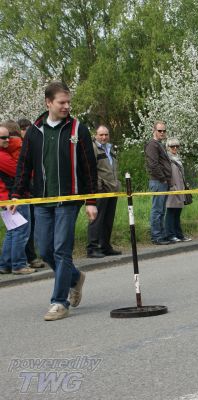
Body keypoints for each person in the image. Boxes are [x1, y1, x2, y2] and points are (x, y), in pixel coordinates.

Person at [9, 81, 98, 321]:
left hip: (69, 200)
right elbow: (24, 165)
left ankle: (59, 302)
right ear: (48, 102)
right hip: (42, 200)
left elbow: (89, 168)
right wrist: (16, 194)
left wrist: (91, 201)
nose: (66, 106)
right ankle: (75, 278)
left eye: (69, 102)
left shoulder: (78, 129)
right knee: (45, 249)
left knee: (61, 250)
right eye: (61, 102)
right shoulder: (35, 131)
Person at [0, 124, 35, 275]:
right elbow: (20, 171)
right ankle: (19, 265)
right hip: (13, 199)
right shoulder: (2, 156)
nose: (7, 140)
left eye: (8, 137)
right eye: (3, 138)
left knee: (12, 231)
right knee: (21, 231)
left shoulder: (4, 152)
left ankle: (5, 264)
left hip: (6, 199)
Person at [16, 118, 47, 269]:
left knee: (33, 226)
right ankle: (27, 258)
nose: (26, 131)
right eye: (23, 129)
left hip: (35, 189)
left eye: (28, 128)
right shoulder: (18, 148)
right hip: (24, 191)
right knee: (24, 228)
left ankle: (31, 255)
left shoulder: (33, 145)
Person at [87, 125, 122, 258]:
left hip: (112, 189)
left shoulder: (110, 148)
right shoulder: (93, 148)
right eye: (101, 135)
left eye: (106, 134)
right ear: (95, 135)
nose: (104, 137)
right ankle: (92, 248)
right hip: (100, 190)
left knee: (108, 220)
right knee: (96, 219)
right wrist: (99, 185)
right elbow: (90, 169)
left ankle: (105, 246)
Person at [144, 121, 172, 245]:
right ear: (154, 131)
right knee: (157, 210)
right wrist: (163, 178)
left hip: (162, 182)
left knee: (161, 210)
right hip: (158, 181)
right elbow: (153, 165)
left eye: (164, 131)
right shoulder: (152, 145)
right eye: (160, 130)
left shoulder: (159, 145)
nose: (162, 133)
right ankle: (156, 236)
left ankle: (162, 235)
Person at [164, 138, 192, 242]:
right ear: (168, 147)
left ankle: (179, 234)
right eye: (172, 146)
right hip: (172, 189)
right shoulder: (167, 159)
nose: (175, 148)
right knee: (171, 212)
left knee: (177, 212)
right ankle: (170, 235)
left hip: (180, 188)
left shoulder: (177, 158)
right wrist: (172, 186)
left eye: (177, 146)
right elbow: (166, 174)